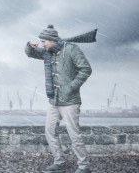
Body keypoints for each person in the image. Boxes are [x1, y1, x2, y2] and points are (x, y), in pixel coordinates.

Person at [25, 25, 92, 173]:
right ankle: (59, 162)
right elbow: (30, 54)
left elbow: (86, 69)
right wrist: (30, 45)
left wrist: (70, 87)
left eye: (44, 41)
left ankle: (83, 166)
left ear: (52, 40)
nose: (42, 44)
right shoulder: (48, 52)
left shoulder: (71, 49)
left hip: (70, 100)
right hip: (53, 100)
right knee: (49, 131)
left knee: (74, 134)